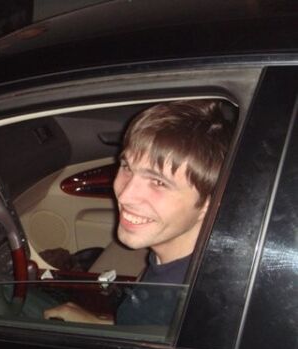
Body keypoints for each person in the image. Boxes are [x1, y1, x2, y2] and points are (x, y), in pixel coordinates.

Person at [44, 100, 233, 325]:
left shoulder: (186, 306)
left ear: (209, 204)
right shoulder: (177, 264)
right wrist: (97, 324)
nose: (125, 196)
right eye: (127, 167)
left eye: (158, 182)